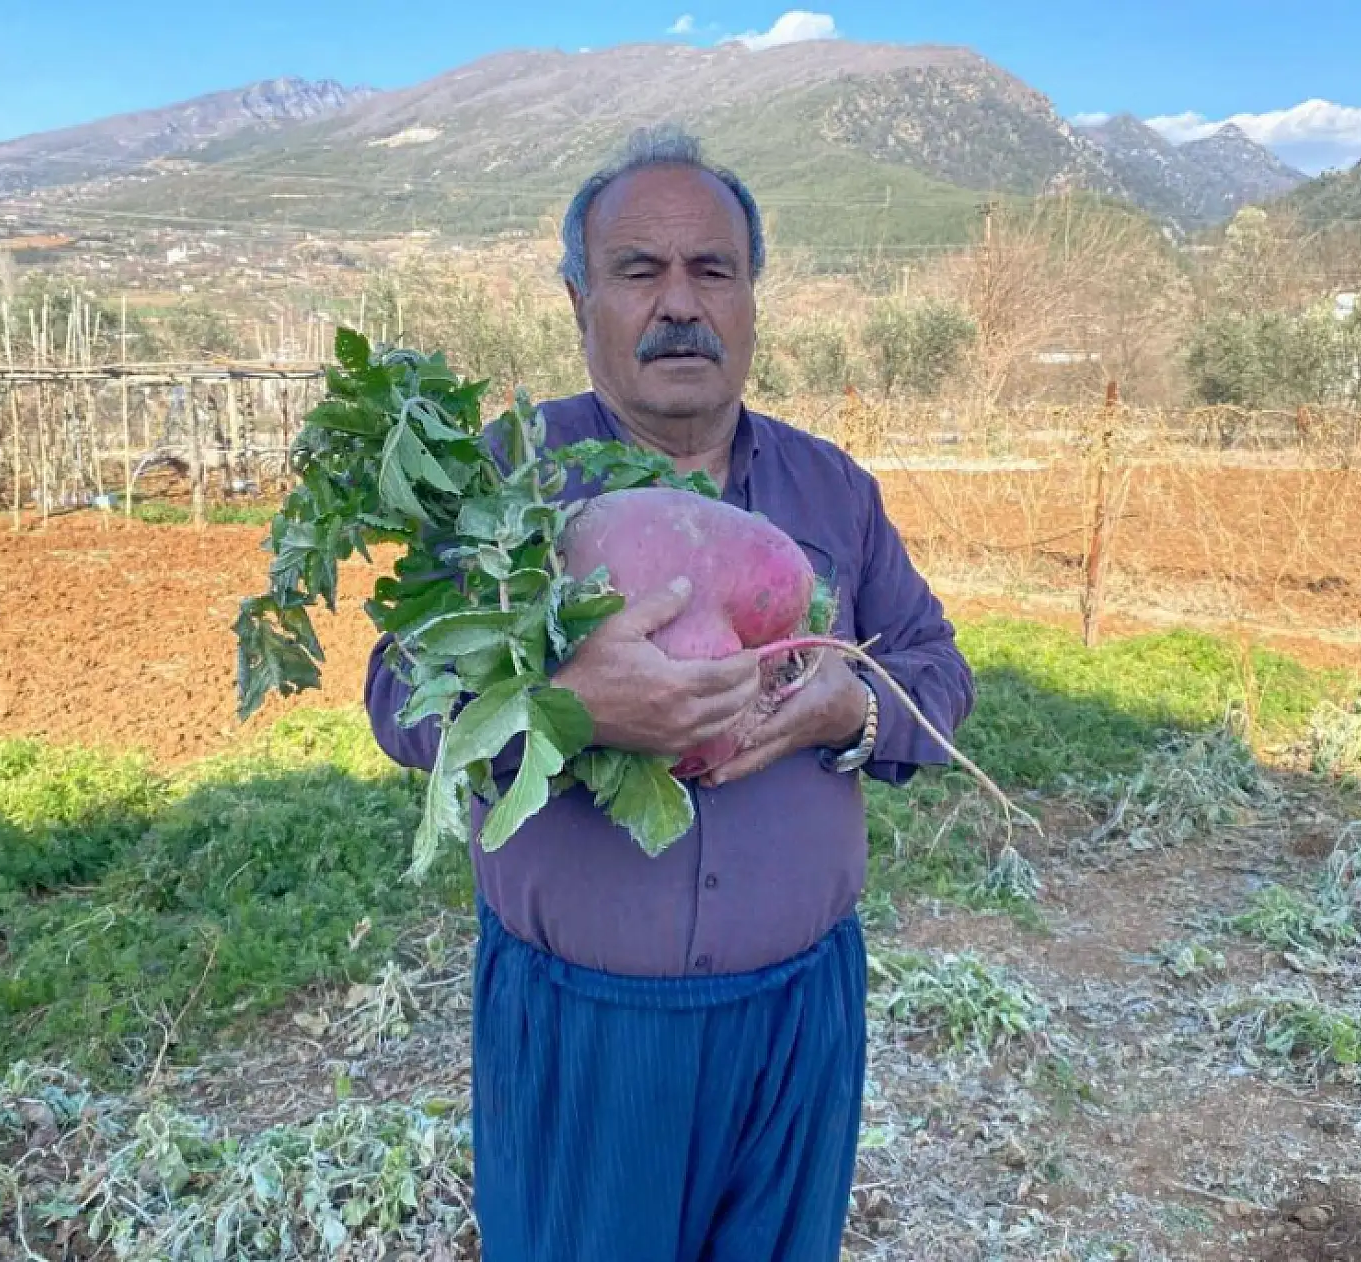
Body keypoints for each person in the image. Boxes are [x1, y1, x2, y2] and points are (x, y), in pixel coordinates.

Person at [363, 123, 975, 1262]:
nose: (678, 303)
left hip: (801, 1014)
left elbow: (938, 670)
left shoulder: (832, 487)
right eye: (639, 271)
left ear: (751, 298)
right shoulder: (506, 484)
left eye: (713, 270)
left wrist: (858, 709)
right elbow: (398, 695)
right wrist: (563, 703)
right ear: (576, 297)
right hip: (585, 1030)